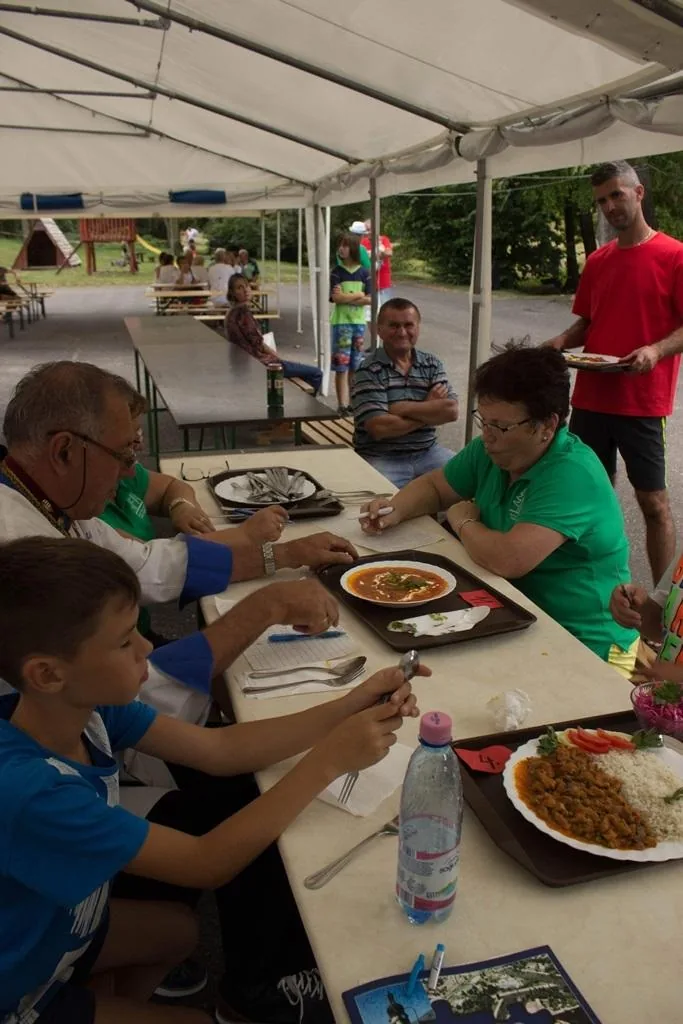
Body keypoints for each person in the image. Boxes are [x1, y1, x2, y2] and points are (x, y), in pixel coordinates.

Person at [0, 534, 423, 1024]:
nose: (145, 647)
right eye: (123, 641)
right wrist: (327, 761)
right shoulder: (34, 794)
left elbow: (220, 750)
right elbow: (206, 863)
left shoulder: (81, 710)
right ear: (48, 674)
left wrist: (354, 701)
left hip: (56, 928)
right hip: (19, 989)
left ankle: (109, 1002)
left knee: (179, 930)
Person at [361, 345, 639, 674]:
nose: (487, 436)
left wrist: (463, 521)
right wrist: (393, 510)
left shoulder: (572, 473)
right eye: (484, 420)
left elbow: (508, 559)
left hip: (585, 641)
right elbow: (435, 487)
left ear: (546, 425)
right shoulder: (491, 451)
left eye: (501, 427)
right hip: (513, 612)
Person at [544, 160, 683, 584]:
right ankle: (594, 585)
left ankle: (664, 602)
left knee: (653, 503)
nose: (608, 206)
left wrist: (655, 350)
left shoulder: (674, 255)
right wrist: (557, 344)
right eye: (601, 200)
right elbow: (588, 323)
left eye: (616, 195)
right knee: (589, 496)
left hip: (641, 401)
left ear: (638, 193)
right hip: (590, 399)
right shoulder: (599, 261)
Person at [99, 394, 285, 642]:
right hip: (117, 652)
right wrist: (278, 551)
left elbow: (169, 487)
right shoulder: (84, 518)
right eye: (128, 443)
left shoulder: (115, 472)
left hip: (133, 638)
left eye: (139, 434)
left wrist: (181, 506)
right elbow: (158, 566)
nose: (138, 453)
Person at [351, 298, 458, 487]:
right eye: (393, 325)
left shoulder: (431, 363)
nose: (402, 332)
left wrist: (401, 407)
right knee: (382, 506)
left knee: (474, 482)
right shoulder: (368, 370)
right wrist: (428, 407)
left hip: (429, 452)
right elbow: (379, 428)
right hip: (382, 457)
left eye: (409, 325)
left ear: (418, 328)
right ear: (379, 330)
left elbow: (450, 411)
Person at [226, 275, 322, 393]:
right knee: (316, 373)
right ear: (232, 292)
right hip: (261, 363)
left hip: (244, 363)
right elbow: (258, 343)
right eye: (239, 288)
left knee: (298, 371)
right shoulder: (243, 313)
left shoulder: (231, 312)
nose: (245, 290)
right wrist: (277, 357)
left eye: (246, 285)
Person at [330, 233, 371, 415]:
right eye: (339, 245)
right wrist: (358, 295)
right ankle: (342, 404)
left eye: (345, 245)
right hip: (341, 324)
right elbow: (336, 298)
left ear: (353, 248)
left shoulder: (365, 273)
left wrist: (350, 298)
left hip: (358, 324)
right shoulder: (336, 272)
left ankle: (353, 403)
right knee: (341, 365)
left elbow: (370, 299)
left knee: (355, 365)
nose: (341, 249)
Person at [361, 219, 394, 306]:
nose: (366, 232)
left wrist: (372, 256)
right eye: (365, 230)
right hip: (368, 283)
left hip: (383, 282)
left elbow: (389, 253)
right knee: (368, 313)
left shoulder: (384, 239)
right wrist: (378, 255)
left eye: (368, 229)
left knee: (386, 309)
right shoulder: (363, 242)